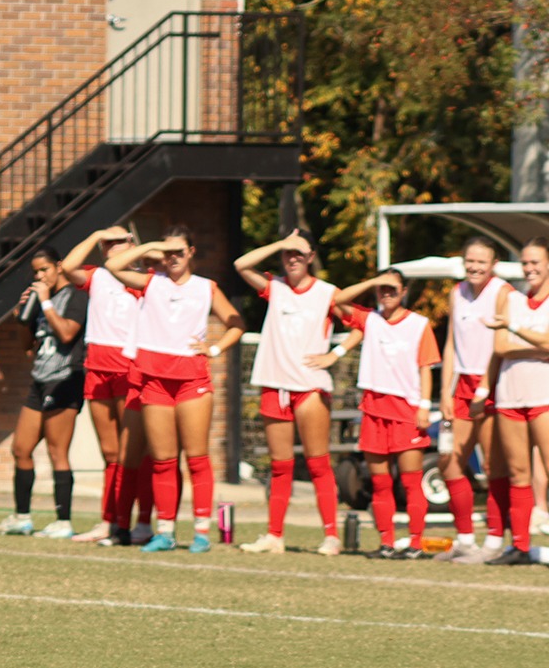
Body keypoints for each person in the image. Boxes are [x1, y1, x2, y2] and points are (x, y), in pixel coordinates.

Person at [105, 225, 245, 552]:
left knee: (197, 459)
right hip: (154, 379)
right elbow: (113, 267)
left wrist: (213, 349)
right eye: (167, 253)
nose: (172, 259)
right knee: (163, 460)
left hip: (191, 378)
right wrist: (152, 245)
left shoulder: (205, 287)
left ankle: (201, 533)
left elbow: (237, 323)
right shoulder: (152, 281)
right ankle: (165, 531)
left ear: (191, 252)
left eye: (179, 252)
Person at [235, 230, 343, 556]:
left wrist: (334, 356)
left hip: (309, 388)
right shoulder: (276, 288)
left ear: (311, 257)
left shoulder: (327, 293)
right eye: (287, 253)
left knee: (318, 463)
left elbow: (364, 322)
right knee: (280, 466)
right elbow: (241, 265)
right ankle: (274, 535)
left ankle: (331, 537)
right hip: (275, 384)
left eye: (299, 253)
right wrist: (280, 242)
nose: (292, 258)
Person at [327, 270, 440, 558]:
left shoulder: (418, 324)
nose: (386, 293)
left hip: (406, 411)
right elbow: (336, 300)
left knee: (411, 480)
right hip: (374, 410)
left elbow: (426, 366)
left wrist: (425, 406)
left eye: (392, 288)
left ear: (404, 292)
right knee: (379, 481)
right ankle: (386, 543)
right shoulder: (370, 319)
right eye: (382, 289)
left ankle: (415, 544)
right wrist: (371, 282)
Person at [0, 247, 87, 537]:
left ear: (58, 267)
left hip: (65, 379)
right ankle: (22, 517)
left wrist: (45, 304)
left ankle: (63, 521)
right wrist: (23, 317)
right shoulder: (41, 300)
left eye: (44, 269)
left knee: (57, 451)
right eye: (35, 272)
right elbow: (25, 346)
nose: (40, 276)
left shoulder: (77, 297)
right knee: (20, 449)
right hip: (39, 379)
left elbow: (68, 333)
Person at [60, 227, 146, 545]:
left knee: (131, 453)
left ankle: (136, 521)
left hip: (127, 369)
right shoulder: (96, 276)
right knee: (109, 453)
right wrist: (94, 233)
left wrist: (138, 249)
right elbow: (67, 267)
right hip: (96, 368)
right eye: (107, 243)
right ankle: (108, 520)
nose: (112, 247)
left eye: (119, 241)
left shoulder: (142, 278)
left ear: (132, 243)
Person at [434, 236, 511, 562]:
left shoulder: (503, 292)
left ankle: (495, 541)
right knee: (449, 463)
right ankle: (465, 538)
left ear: (493, 264)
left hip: (493, 384)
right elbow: (451, 343)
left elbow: (500, 344)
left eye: (481, 261)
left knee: (495, 466)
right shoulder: (457, 293)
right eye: (470, 261)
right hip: (461, 386)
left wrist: (483, 389)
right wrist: (445, 392)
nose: (475, 267)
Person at [483, 236, 549, 564]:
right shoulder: (512, 300)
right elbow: (500, 348)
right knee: (518, 473)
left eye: (535, 262)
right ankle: (520, 546)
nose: (529, 268)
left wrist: (515, 330)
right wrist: (535, 344)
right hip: (510, 395)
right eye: (525, 262)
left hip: (544, 396)